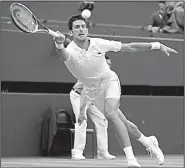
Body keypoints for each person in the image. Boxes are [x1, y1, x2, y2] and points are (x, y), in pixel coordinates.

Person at [53, 14, 177, 167]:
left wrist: (157, 44)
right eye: (77, 27)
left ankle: (131, 160)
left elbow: (129, 47)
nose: (81, 29)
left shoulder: (98, 43)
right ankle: (149, 142)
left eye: (83, 26)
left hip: (109, 81)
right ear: (70, 33)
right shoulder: (70, 50)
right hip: (93, 91)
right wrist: (59, 45)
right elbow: (63, 55)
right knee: (123, 122)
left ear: (87, 29)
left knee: (111, 114)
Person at [70, 56, 115, 160]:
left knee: (102, 121)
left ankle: (103, 152)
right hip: (79, 96)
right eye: (106, 64)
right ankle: (77, 152)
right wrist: (82, 113)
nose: (108, 67)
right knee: (82, 121)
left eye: (110, 65)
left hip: (91, 99)